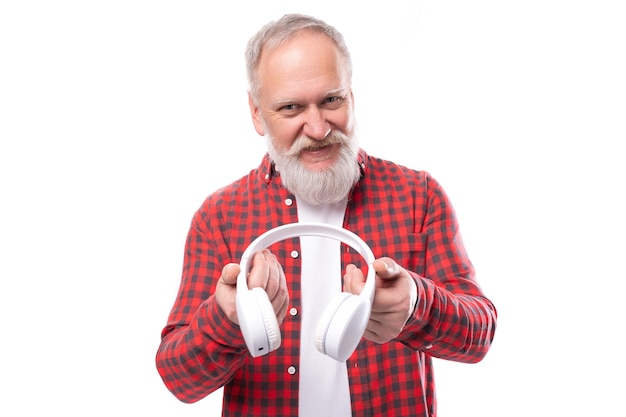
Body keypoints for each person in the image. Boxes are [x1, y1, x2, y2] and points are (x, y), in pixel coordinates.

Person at [155, 13, 497, 417]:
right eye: (290, 107)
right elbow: (180, 381)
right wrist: (226, 320)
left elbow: (479, 336)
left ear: (352, 95)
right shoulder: (220, 217)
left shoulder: (418, 196)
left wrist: (417, 304)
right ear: (256, 113)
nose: (317, 128)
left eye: (331, 100)